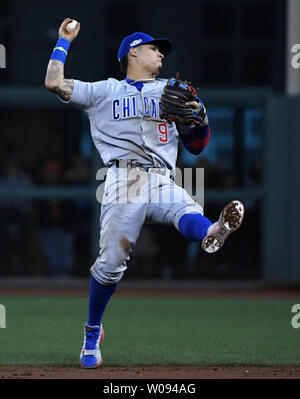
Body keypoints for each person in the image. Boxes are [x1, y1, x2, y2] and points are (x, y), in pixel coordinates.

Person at [45, 18, 245, 368]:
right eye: (155, 48)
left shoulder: (171, 91)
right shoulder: (104, 91)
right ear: (133, 52)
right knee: (110, 266)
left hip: (161, 177)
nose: (161, 55)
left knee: (185, 209)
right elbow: (53, 83)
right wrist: (64, 41)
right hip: (122, 179)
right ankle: (93, 330)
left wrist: (201, 119)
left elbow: (197, 147)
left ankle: (214, 231)